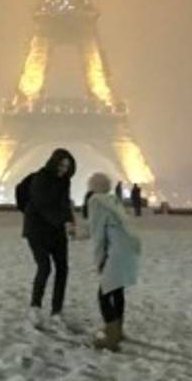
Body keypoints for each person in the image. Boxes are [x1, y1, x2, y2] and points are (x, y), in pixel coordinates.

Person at [20, 148, 77, 325]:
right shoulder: (40, 177)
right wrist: (64, 222)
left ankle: (56, 311)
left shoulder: (65, 180)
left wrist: (69, 221)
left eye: (67, 166)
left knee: (63, 269)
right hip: (37, 230)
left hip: (56, 229)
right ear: (54, 162)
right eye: (61, 165)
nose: (63, 169)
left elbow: (64, 203)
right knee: (44, 267)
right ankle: (35, 307)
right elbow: (42, 206)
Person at [86, 172, 141, 351]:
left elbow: (98, 233)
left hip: (114, 252)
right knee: (117, 291)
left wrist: (99, 259)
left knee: (103, 295)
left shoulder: (95, 201)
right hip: (127, 249)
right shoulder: (113, 200)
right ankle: (118, 329)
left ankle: (112, 337)